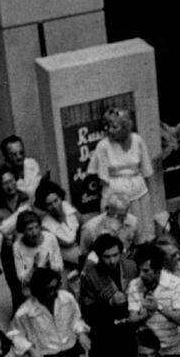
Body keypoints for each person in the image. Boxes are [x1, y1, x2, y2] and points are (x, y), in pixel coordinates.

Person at [86, 107, 155, 241]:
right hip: (116, 200)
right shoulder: (103, 146)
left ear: (125, 126)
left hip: (139, 195)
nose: (109, 130)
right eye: (106, 127)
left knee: (143, 233)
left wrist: (149, 195)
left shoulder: (137, 140)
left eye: (114, 127)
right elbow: (102, 177)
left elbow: (147, 170)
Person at [9, 267, 89, 357]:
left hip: (69, 350)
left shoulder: (67, 298)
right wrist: (29, 349)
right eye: (50, 289)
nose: (55, 292)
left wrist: (81, 333)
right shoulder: (24, 312)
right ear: (38, 291)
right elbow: (15, 334)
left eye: (57, 287)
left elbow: (76, 318)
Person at [79, 234, 137, 357]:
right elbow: (88, 312)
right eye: (107, 257)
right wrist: (109, 304)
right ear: (99, 256)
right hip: (106, 333)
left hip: (131, 328)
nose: (112, 261)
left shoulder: (131, 267)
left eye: (115, 255)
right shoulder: (90, 276)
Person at [127, 243, 180, 356]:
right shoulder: (134, 285)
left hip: (173, 347)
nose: (141, 275)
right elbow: (132, 320)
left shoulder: (175, 283)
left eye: (146, 271)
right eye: (140, 270)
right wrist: (147, 314)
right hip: (148, 352)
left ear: (158, 271)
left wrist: (158, 307)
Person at [10, 209, 63, 289]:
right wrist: (34, 268)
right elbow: (21, 278)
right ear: (23, 231)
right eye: (30, 229)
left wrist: (50, 266)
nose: (35, 233)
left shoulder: (50, 237)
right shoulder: (17, 246)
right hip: (33, 286)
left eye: (36, 227)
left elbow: (60, 266)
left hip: (53, 281)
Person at [36, 180, 83, 269]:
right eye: (49, 204)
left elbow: (83, 223)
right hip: (68, 264)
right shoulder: (45, 226)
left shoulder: (67, 206)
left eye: (56, 201)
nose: (54, 206)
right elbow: (54, 253)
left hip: (83, 253)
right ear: (44, 207)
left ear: (60, 198)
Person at [78, 192, 139, 260]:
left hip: (124, 261)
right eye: (117, 216)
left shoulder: (133, 221)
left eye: (123, 216)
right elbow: (83, 254)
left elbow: (135, 246)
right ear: (107, 210)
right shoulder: (90, 228)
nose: (121, 220)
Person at [0, 134, 41, 198]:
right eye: (14, 154)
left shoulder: (32, 164)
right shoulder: (5, 177)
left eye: (21, 152)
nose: (19, 157)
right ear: (6, 157)